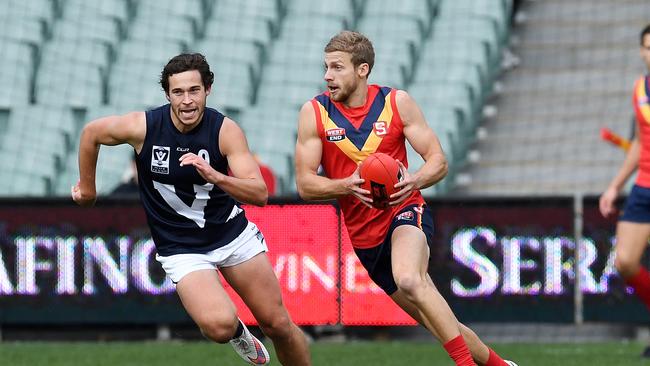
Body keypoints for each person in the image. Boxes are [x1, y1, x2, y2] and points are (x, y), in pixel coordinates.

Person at [72, 53, 311, 365]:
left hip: (232, 235)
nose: (187, 101)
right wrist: (88, 189)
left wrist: (215, 175)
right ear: (168, 95)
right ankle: (238, 333)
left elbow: (259, 193)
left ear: (207, 90)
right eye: (178, 92)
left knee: (278, 324)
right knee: (219, 326)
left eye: (194, 91)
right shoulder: (144, 127)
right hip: (181, 247)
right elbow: (91, 133)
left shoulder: (225, 130)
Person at [294, 30, 517, 366]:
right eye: (326, 67)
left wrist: (413, 181)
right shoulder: (315, 113)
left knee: (411, 279)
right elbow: (305, 184)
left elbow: (438, 161)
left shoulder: (396, 103)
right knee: (441, 323)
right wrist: (346, 186)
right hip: (366, 241)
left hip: (405, 212)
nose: (328, 76)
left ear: (362, 70)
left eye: (337, 67)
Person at [599, 24, 650, 357]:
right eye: (648, 47)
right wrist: (614, 186)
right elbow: (638, 144)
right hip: (644, 188)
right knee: (626, 262)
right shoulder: (639, 89)